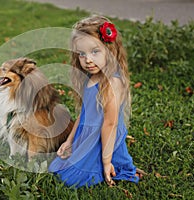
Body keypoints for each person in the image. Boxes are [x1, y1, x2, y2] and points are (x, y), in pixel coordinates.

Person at [49, 15, 142, 188]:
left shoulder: (113, 83)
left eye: (95, 51)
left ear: (110, 50)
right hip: (87, 135)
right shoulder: (90, 78)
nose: (88, 60)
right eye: (82, 54)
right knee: (59, 168)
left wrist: (106, 162)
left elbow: (110, 124)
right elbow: (84, 115)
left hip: (104, 139)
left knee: (72, 179)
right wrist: (69, 141)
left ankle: (110, 165)